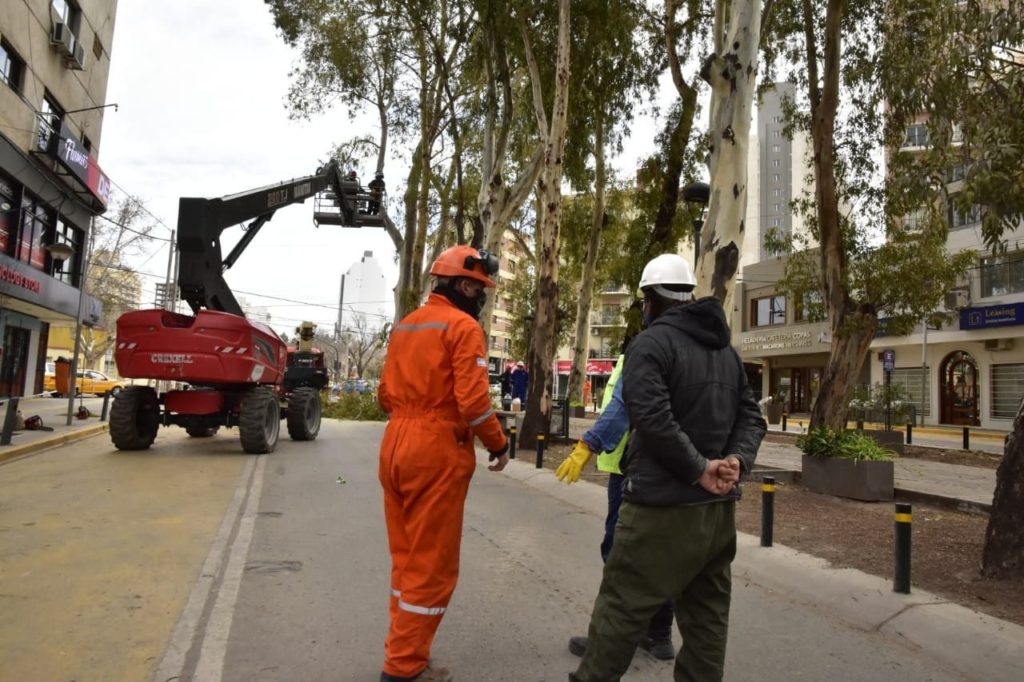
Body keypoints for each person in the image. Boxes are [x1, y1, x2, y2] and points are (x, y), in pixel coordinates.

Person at [570, 253, 767, 682]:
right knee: (708, 621)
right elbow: (752, 419)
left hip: (659, 509)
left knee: (620, 610)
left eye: (644, 300)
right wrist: (735, 461)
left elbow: (652, 418)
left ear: (652, 298)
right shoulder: (726, 353)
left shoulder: (650, 345)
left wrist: (698, 468)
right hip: (716, 516)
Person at [377, 244, 510, 682]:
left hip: (396, 442)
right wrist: (497, 442)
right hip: (435, 448)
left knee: (406, 557)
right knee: (432, 566)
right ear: (466, 284)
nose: (482, 297)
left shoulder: (406, 326)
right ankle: (403, 667)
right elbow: (473, 403)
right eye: (480, 288)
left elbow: (383, 397)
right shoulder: (463, 327)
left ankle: (406, 650)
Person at [555, 333, 677, 662]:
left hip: (632, 470)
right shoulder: (691, 353)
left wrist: (588, 444)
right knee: (660, 554)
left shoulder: (641, 356)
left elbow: (622, 406)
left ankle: (611, 638)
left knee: (620, 552)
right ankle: (659, 634)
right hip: (674, 470)